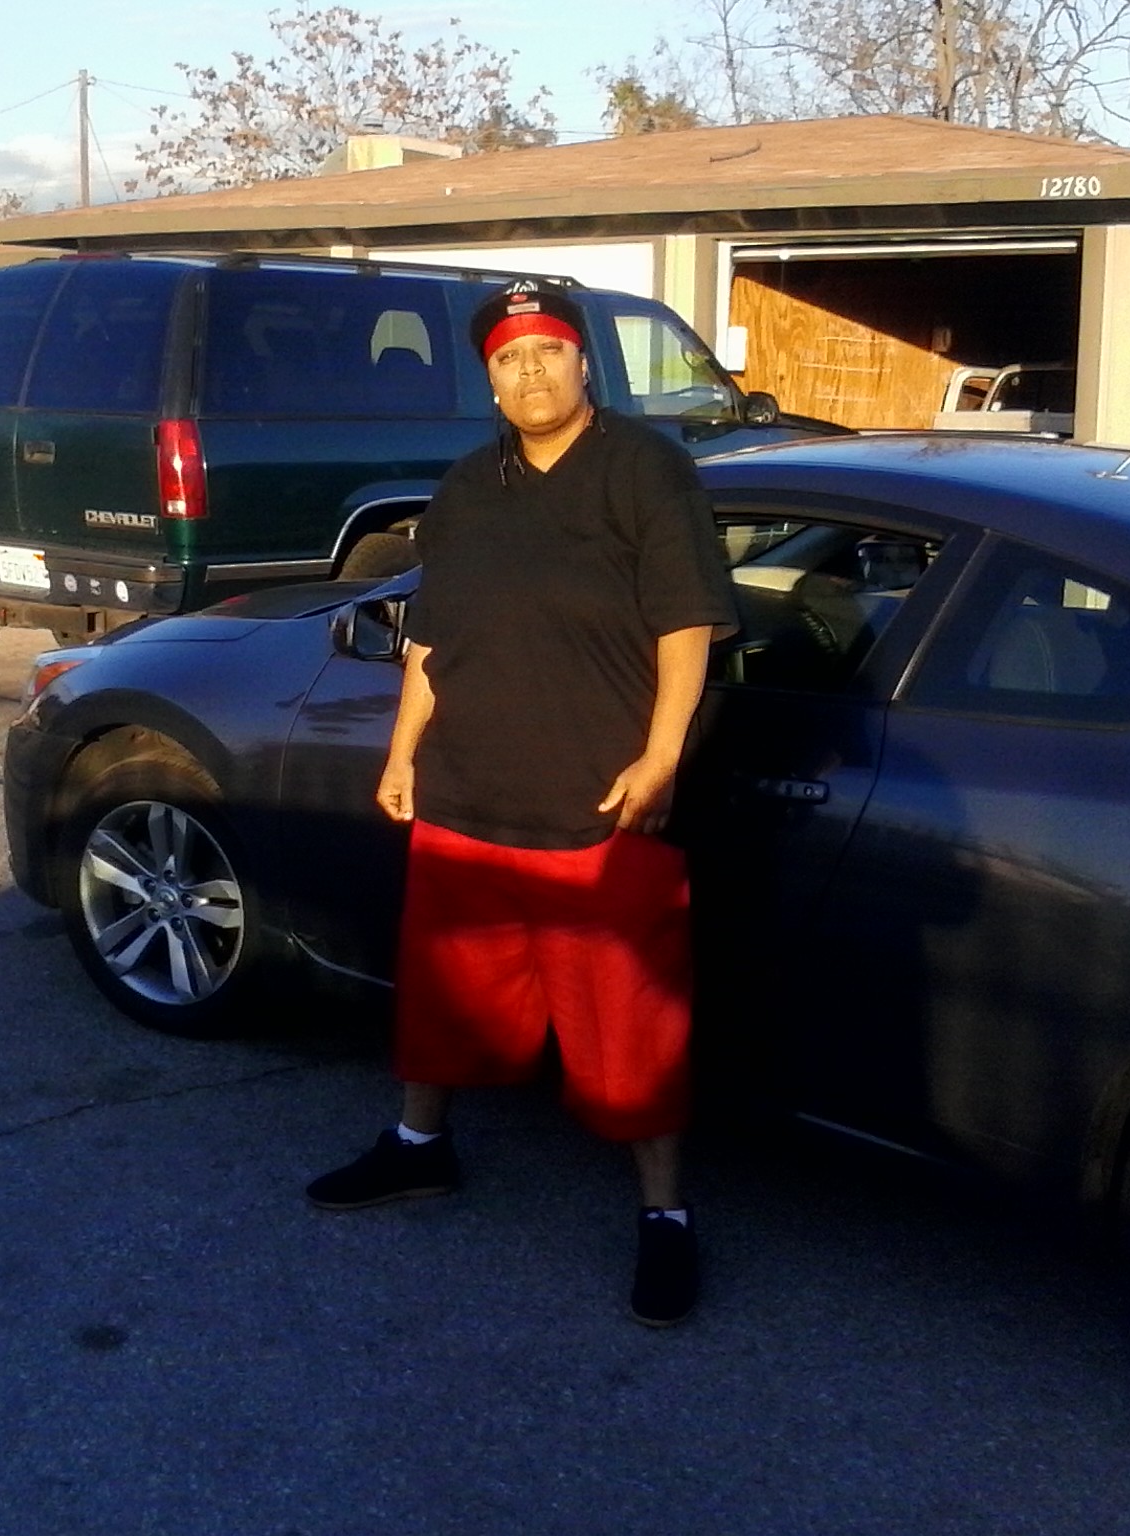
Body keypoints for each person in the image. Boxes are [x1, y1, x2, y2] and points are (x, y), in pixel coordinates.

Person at [305, 279, 737, 1327]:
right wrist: (402, 754)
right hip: (466, 795)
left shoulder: (645, 470)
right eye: (508, 357)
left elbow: (686, 624)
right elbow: (431, 640)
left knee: (629, 1027)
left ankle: (665, 1213)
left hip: (600, 805)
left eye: (547, 350)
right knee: (445, 994)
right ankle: (419, 1145)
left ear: (583, 362)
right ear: (489, 380)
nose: (530, 371)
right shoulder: (466, 489)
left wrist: (662, 758)